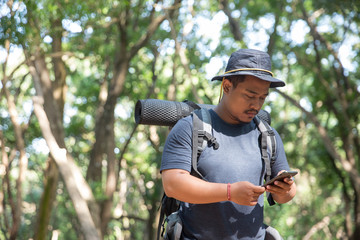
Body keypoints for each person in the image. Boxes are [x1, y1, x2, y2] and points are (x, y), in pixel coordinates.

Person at [160, 49, 297, 239]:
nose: (256, 105)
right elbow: (173, 184)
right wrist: (230, 192)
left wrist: (287, 189)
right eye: (250, 95)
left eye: (262, 97)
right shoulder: (189, 128)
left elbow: (284, 197)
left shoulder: (267, 135)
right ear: (226, 87)